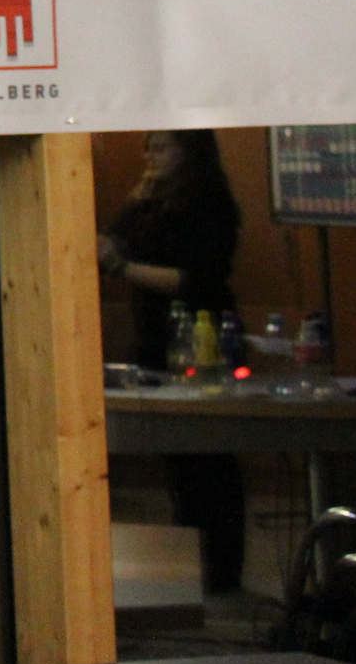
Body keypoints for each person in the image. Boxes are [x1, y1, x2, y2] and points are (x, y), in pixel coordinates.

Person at [99, 128, 247, 594]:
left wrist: (124, 267)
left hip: (201, 335)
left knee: (208, 459)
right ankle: (190, 566)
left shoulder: (208, 204)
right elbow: (115, 240)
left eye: (162, 147)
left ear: (189, 152)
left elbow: (196, 279)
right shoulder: (150, 198)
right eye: (148, 147)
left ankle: (220, 570)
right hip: (154, 335)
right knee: (180, 463)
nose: (151, 156)